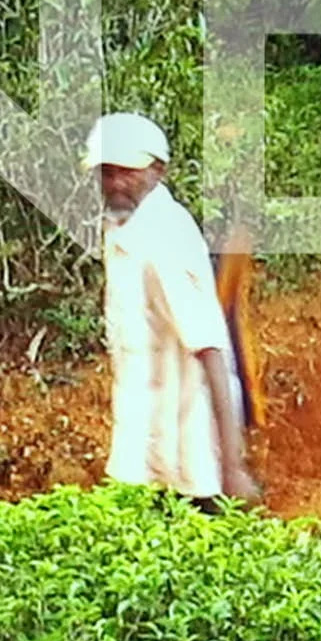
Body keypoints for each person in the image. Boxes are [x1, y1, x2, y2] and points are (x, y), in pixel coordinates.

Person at [88, 113, 255, 508]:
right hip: (141, 450)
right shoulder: (120, 225)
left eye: (126, 172)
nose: (114, 184)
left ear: (157, 171)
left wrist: (232, 467)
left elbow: (211, 346)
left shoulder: (167, 233)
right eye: (106, 173)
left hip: (189, 461)